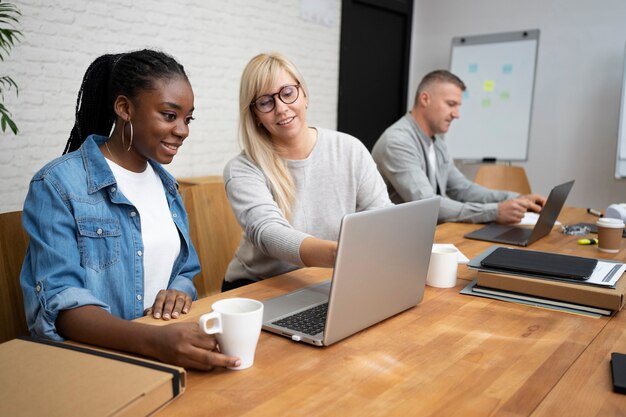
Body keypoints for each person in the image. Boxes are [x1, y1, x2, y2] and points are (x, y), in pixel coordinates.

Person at [20, 49, 240, 370]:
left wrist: (177, 291)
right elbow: (61, 305)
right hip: (91, 364)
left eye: (187, 118)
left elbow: (184, 269)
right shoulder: (57, 184)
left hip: (161, 352)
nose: (183, 130)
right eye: (169, 115)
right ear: (124, 108)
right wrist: (153, 342)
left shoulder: (167, 187)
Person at [222, 52, 391, 290]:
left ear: (304, 95)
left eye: (288, 93)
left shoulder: (349, 148)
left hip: (326, 278)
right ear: (256, 115)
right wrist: (339, 253)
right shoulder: (242, 169)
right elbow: (269, 234)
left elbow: (382, 216)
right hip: (258, 286)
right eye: (265, 102)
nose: (281, 108)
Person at [371, 70, 546, 224]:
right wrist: (494, 212)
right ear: (425, 99)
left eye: (458, 106)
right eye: (451, 104)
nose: (456, 114)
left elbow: (463, 189)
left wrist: (515, 199)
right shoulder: (397, 142)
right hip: (397, 241)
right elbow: (428, 205)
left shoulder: (436, 142)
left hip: (422, 234)